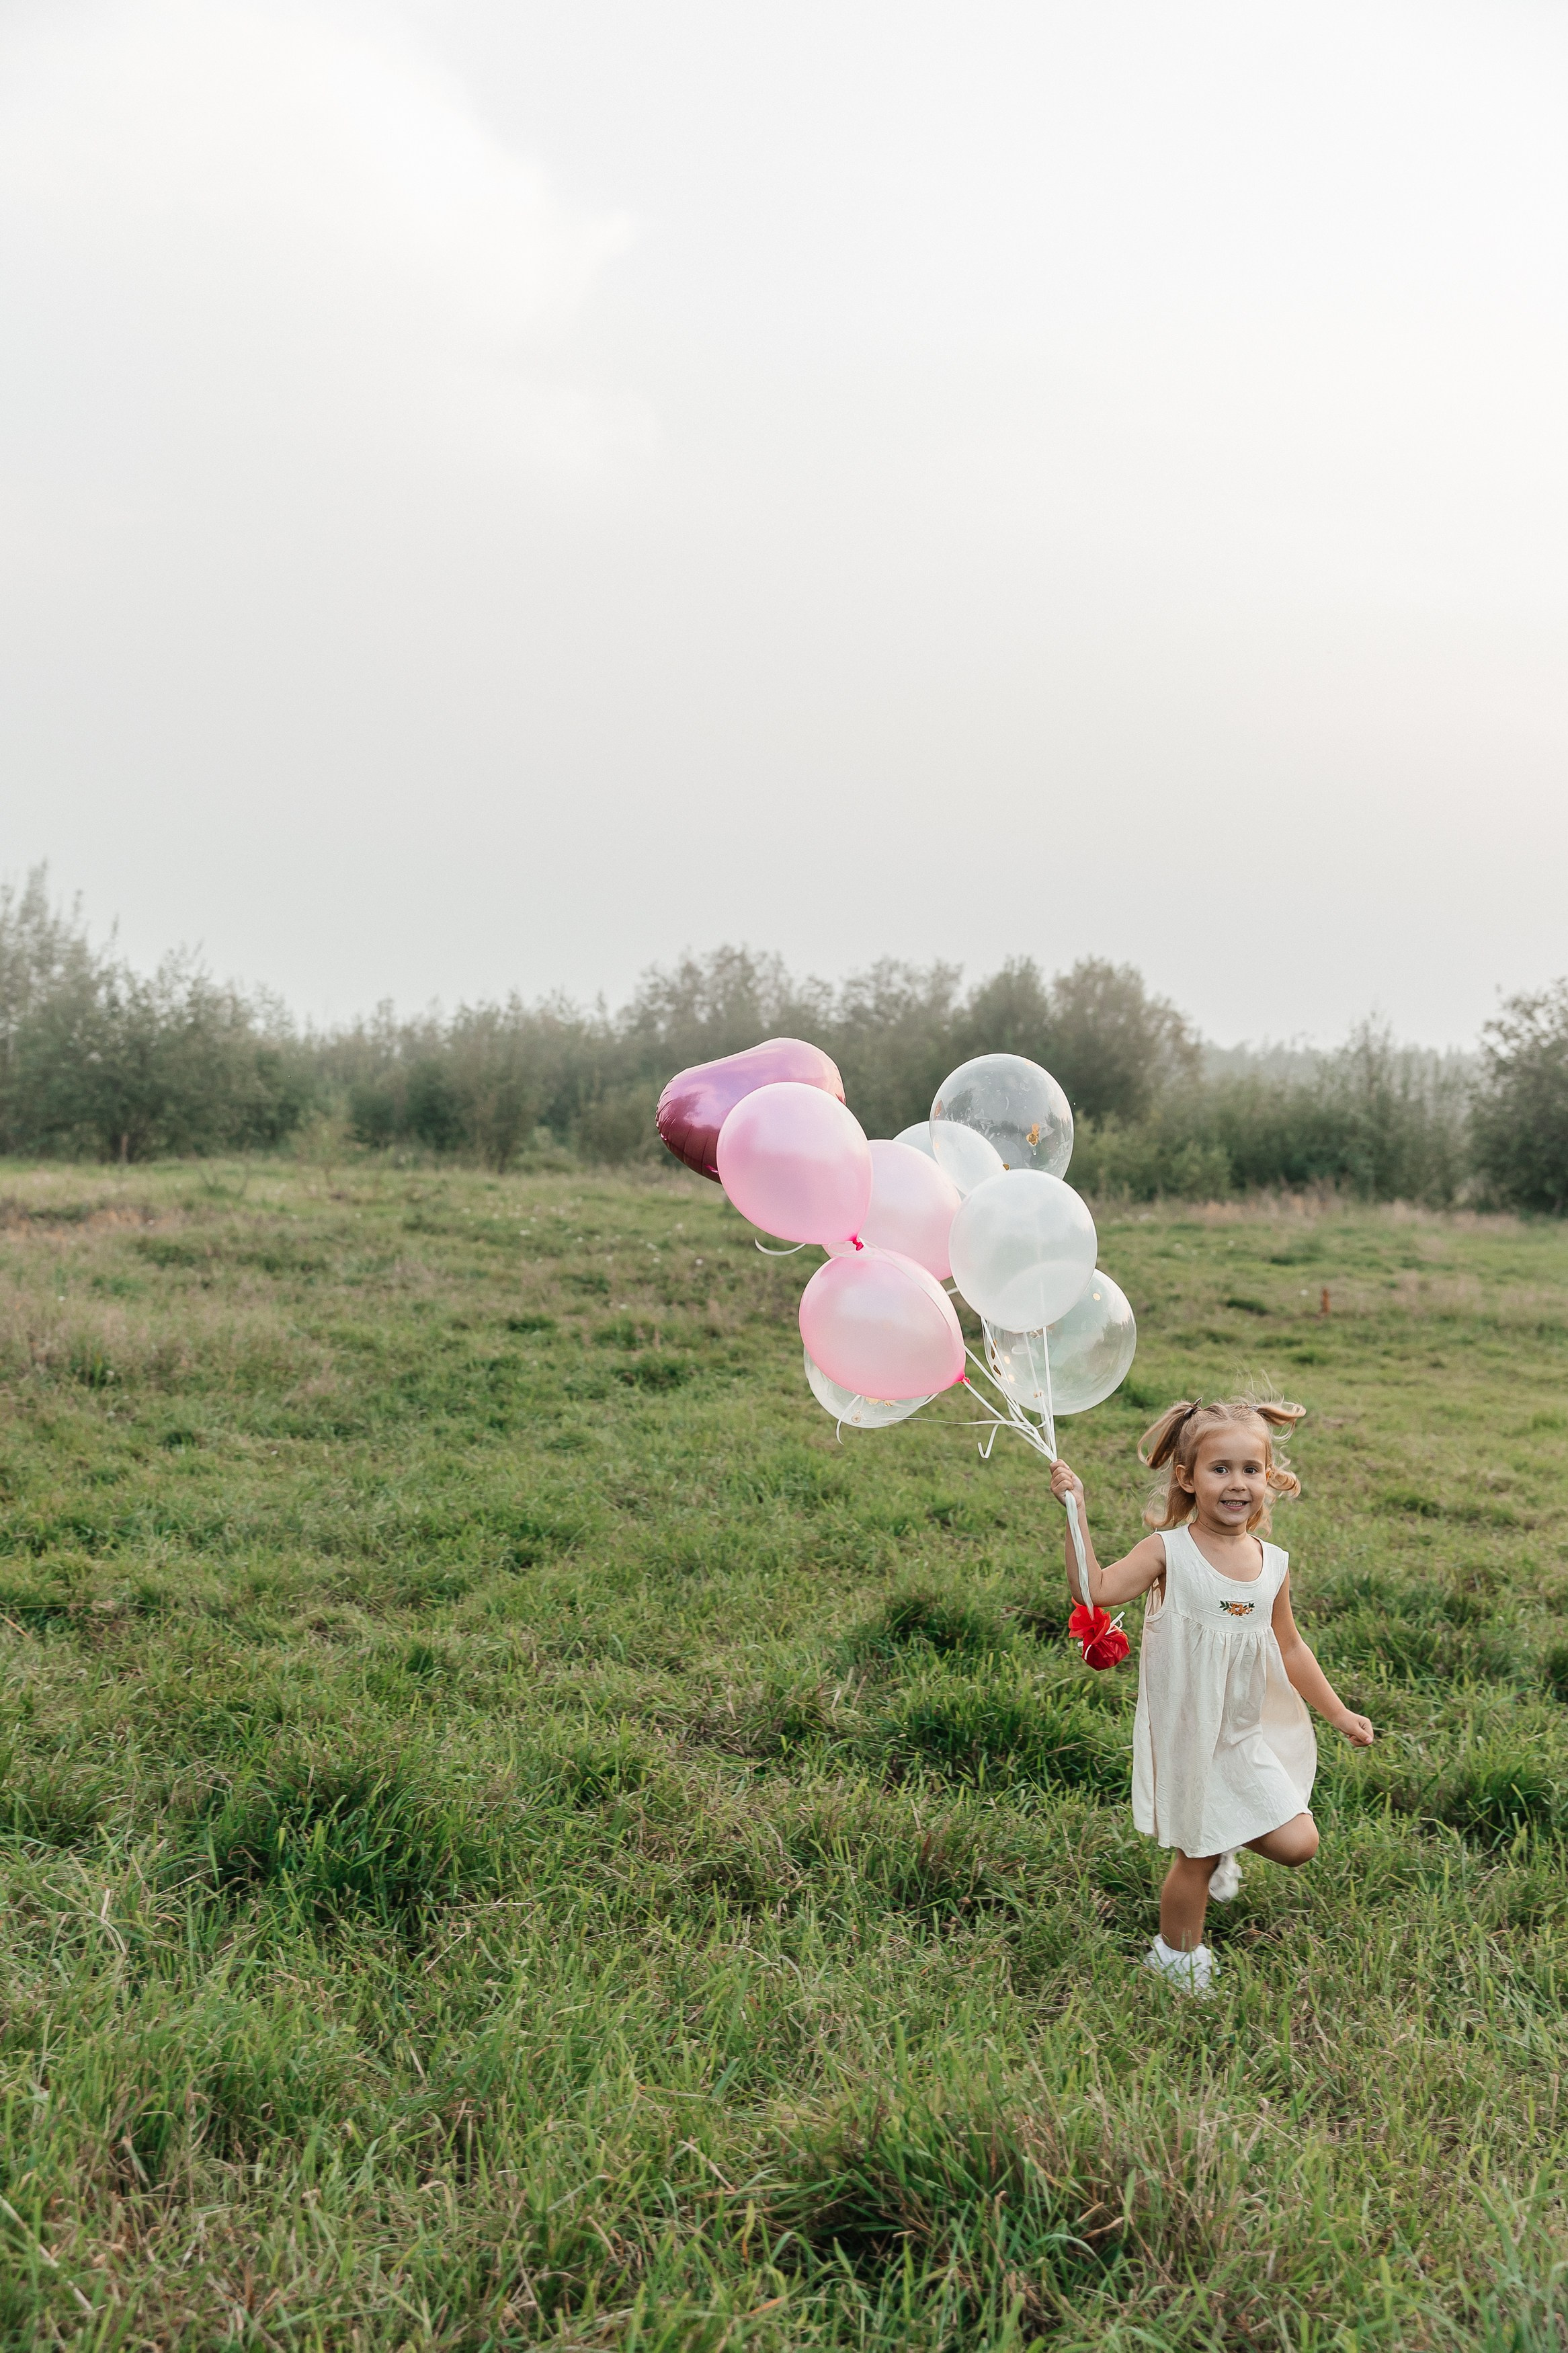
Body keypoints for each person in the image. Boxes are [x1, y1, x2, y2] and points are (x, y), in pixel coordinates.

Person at [1049, 1396, 1374, 1995]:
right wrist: (1076, 1512)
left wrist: (1337, 1712)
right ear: (1187, 1479)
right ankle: (1176, 1960)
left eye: (1250, 1470)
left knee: (1299, 1843)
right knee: (1194, 1858)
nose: (1236, 1484)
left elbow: (1292, 1648)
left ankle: (1224, 1835)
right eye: (1219, 1469)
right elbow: (1093, 1589)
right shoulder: (1167, 1553)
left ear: (1267, 1480)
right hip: (1190, 1735)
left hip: (1243, 1733)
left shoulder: (1270, 1564)